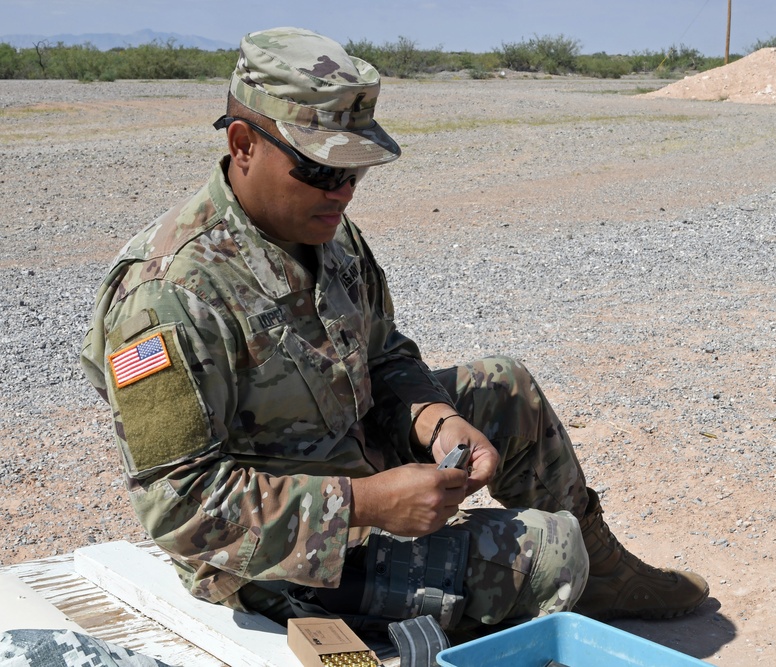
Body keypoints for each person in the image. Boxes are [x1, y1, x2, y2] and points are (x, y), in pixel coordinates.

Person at [80, 26, 709, 633]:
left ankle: (606, 578)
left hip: (353, 455)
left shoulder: (325, 233)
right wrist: (371, 505)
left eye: (355, 172)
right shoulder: (166, 296)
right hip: (271, 560)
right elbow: (183, 507)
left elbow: (382, 356)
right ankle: (552, 587)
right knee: (550, 555)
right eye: (323, 171)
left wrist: (434, 419)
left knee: (507, 388)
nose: (345, 192)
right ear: (243, 143)